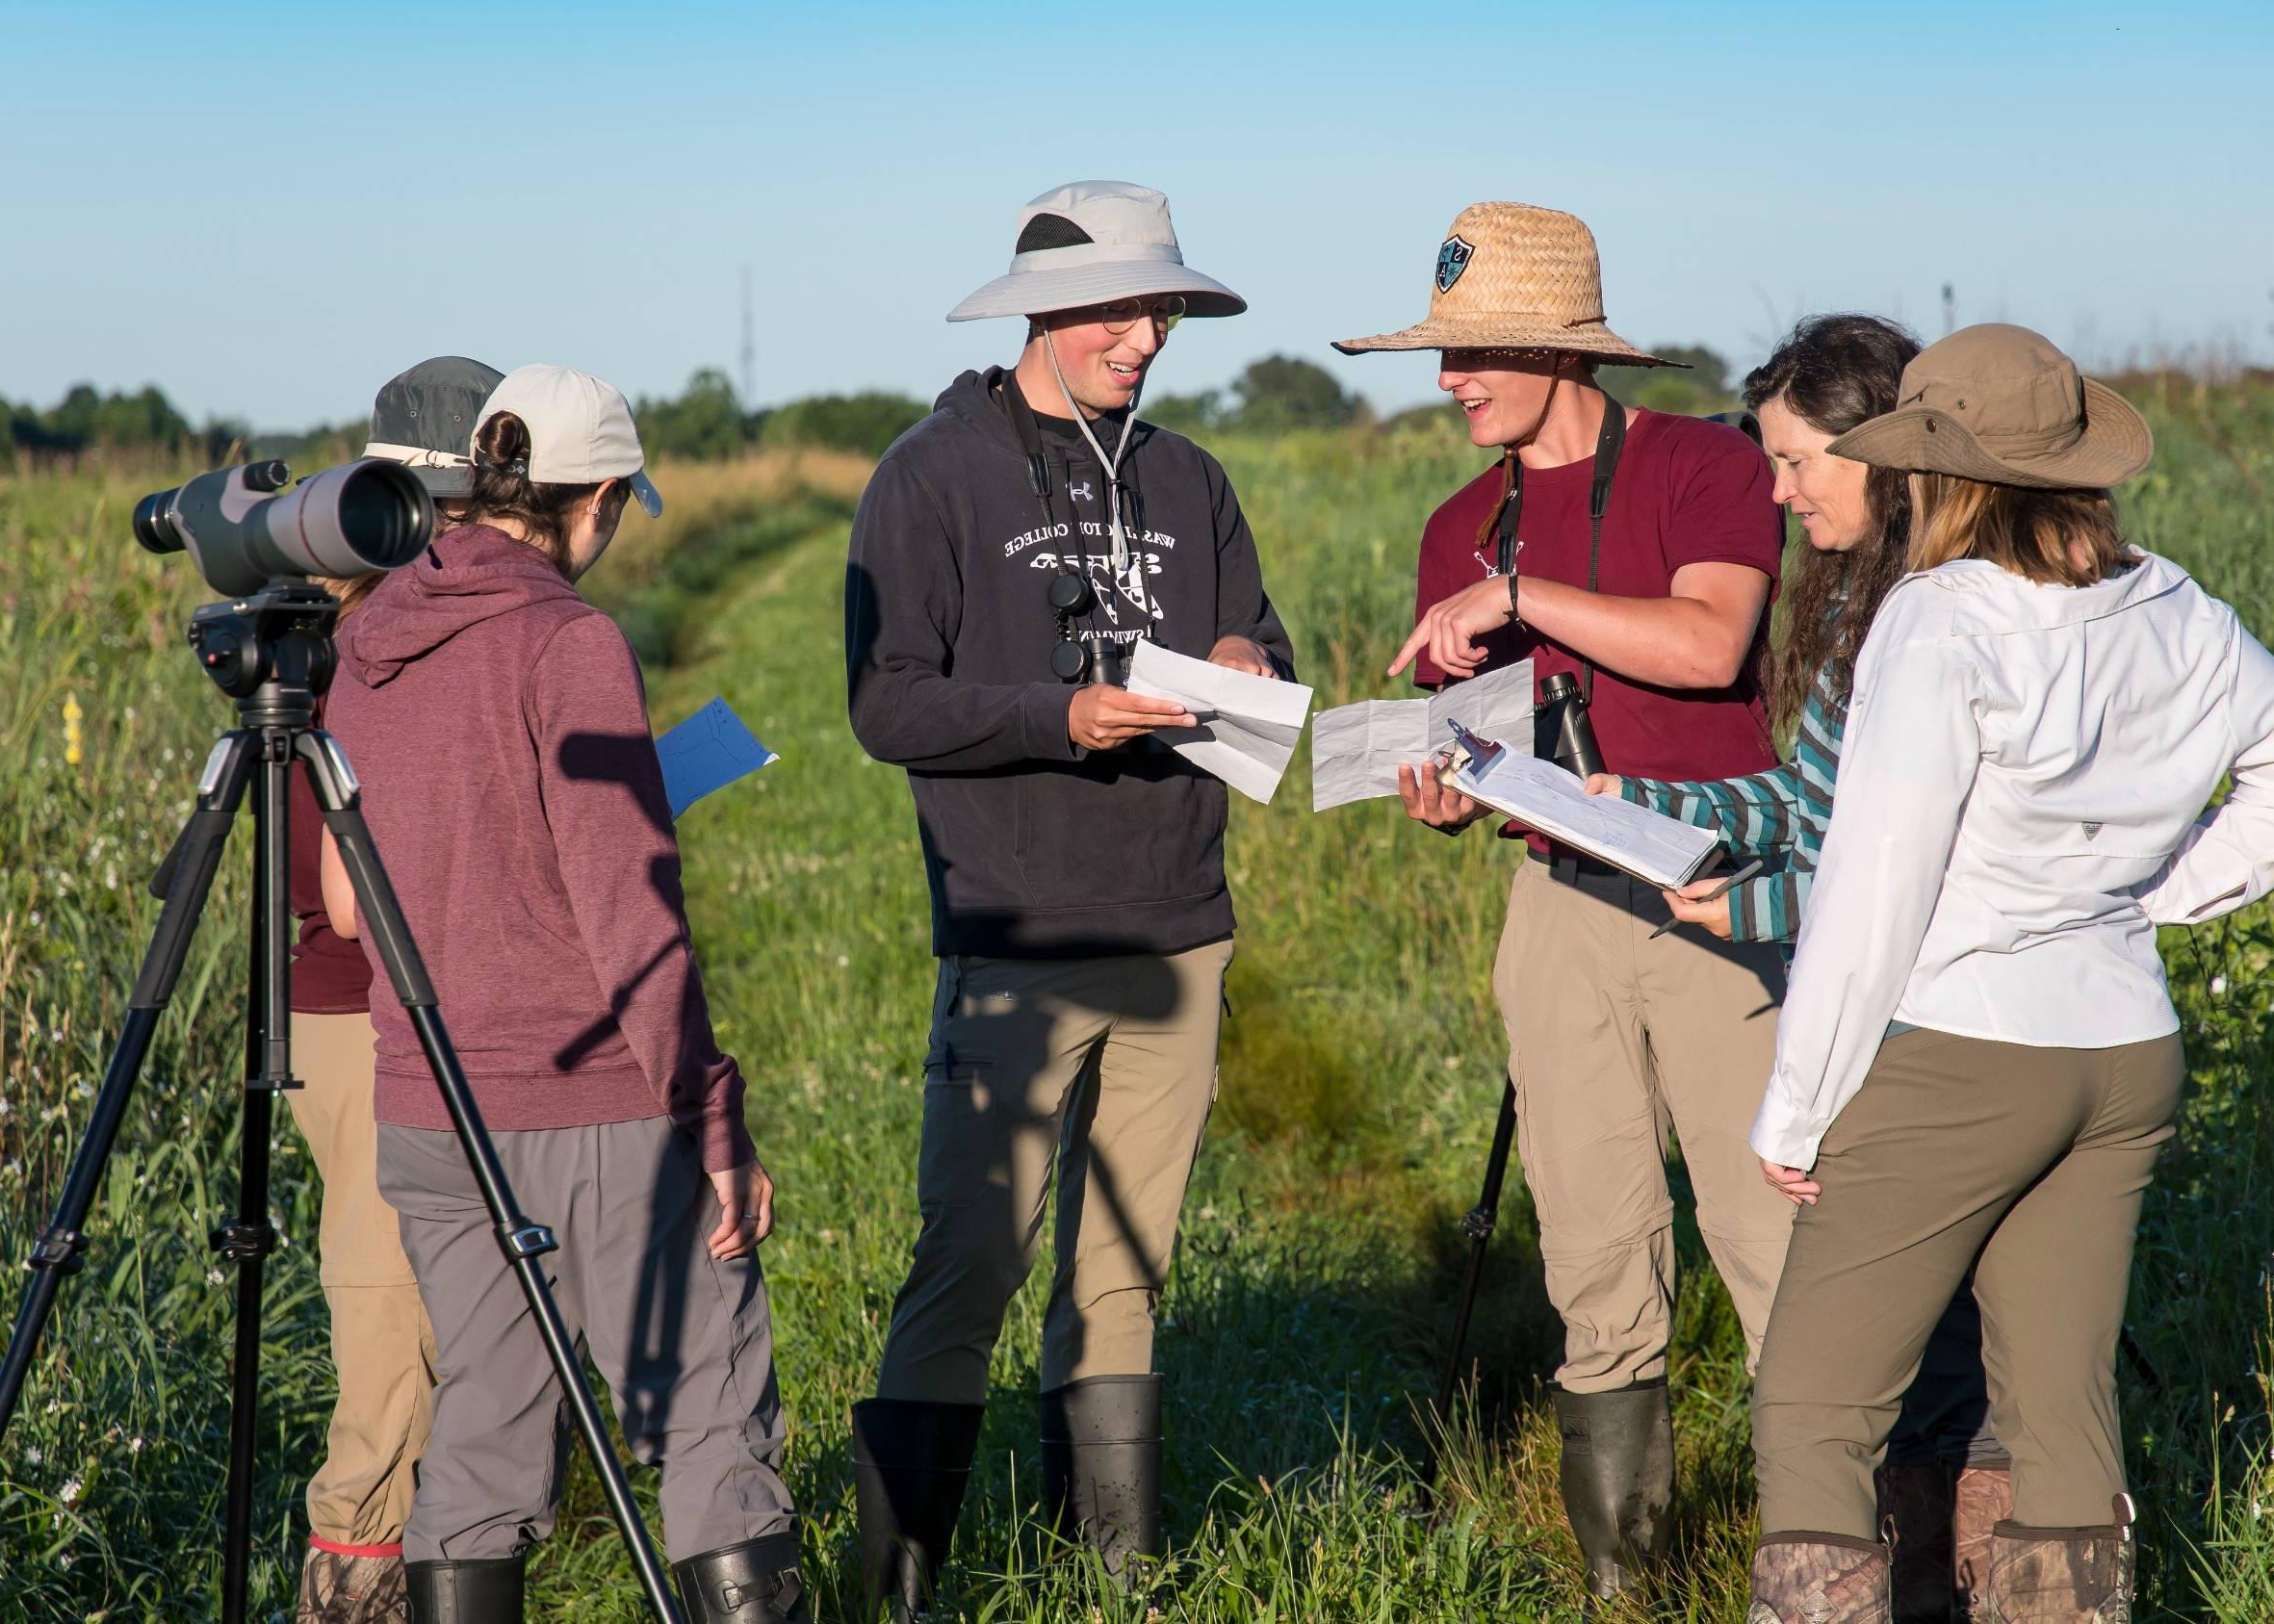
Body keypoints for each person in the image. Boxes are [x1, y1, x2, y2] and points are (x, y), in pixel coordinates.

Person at [1742, 324, 2274, 1623]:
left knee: (1813, 1403)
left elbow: (1873, 889)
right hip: (2122, 1049)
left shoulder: (1937, 618)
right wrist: (2145, 899)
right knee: (2061, 1415)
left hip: (1966, 1046)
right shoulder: (2174, 601)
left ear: (1942, 472)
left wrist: (1795, 1105)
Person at [842, 179, 1291, 1615]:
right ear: (1044, 311)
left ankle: (1113, 1580)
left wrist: (1247, 653)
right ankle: (897, 1586)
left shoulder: (1189, 478)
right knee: (968, 1266)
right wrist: (1062, 716)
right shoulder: (931, 472)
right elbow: (886, 705)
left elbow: (1257, 637)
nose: (1146, 338)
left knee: (1126, 1275)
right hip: (1018, 935)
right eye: (1119, 310)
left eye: (1160, 307)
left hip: (1182, 926)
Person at [1332, 201, 1790, 1594]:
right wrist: (1452, 791)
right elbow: (1489, 741)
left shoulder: (1707, 467)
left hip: (1718, 892)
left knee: (1770, 1242)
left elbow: (1713, 647)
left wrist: (1524, 597)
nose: (1449, 378)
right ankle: (1628, 1584)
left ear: (1558, 347)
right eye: (1445, 354)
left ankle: (1825, 1564)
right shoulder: (1457, 526)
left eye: (1473, 352)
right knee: (1594, 1247)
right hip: (1562, 900)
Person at [323, 365, 808, 1623]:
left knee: (480, 1436)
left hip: (426, 1113)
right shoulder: (569, 641)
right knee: (710, 1420)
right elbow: (629, 920)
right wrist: (714, 1116)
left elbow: (340, 894)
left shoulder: (363, 639)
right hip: (585, 1097)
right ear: (593, 498)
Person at [1588, 315, 2012, 1619]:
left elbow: (1921, 876)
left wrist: (1751, 907)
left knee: (1935, 1360)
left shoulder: (1939, 619)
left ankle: (1942, 1581)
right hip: (1888, 1038)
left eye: (1793, 462)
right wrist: (1655, 806)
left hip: (1948, 1035)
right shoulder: (1861, 602)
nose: (1773, 493)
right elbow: (1818, 802)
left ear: (1881, 452)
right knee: (1932, 1350)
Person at [283, 355, 500, 1623]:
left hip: (406, 996)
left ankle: (448, 1558)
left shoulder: (379, 631)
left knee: (425, 1304)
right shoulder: (361, 647)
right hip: (367, 1010)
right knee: (390, 1316)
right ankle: (358, 1582)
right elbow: (354, 872)